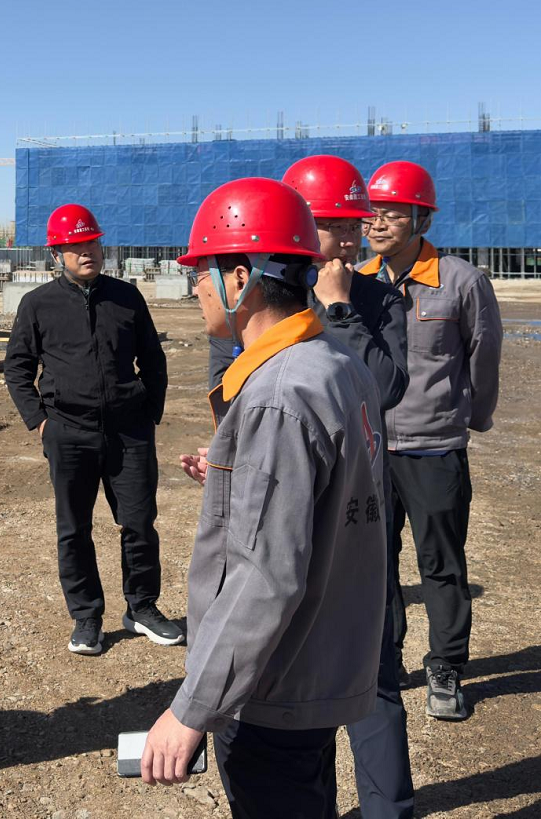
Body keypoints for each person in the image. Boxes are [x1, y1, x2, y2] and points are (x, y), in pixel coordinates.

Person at [141, 178, 387, 819]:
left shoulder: (278, 394)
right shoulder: (337, 362)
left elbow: (265, 575)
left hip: (271, 684)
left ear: (240, 278)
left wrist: (192, 708)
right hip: (318, 663)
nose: (194, 288)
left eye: (201, 273)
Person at [208, 155, 414, 818]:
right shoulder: (261, 314)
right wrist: (232, 461)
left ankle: (387, 806)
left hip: (349, 510)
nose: (350, 239)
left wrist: (342, 311)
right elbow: (234, 399)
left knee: (370, 671)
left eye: (355, 225)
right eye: (333, 225)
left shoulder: (373, 302)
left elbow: (385, 386)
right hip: (290, 499)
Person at [3, 203, 181, 655]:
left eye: (93, 243)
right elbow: (17, 368)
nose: (88, 252)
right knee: (74, 528)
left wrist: (149, 413)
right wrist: (41, 422)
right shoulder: (37, 304)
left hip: (129, 432)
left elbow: (153, 359)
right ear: (56, 253)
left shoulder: (126, 297)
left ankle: (142, 607)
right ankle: (86, 617)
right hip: (69, 432)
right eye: (76, 246)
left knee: (139, 522)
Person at [359, 161, 502, 721]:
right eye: (371, 212)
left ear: (422, 218)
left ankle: (445, 665)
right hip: (372, 451)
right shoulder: (359, 282)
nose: (377, 223)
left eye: (392, 213)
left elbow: (484, 355)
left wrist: (470, 420)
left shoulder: (461, 281)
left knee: (440, 564)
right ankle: (385, 657)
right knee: (376, 563)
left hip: (435, 447)